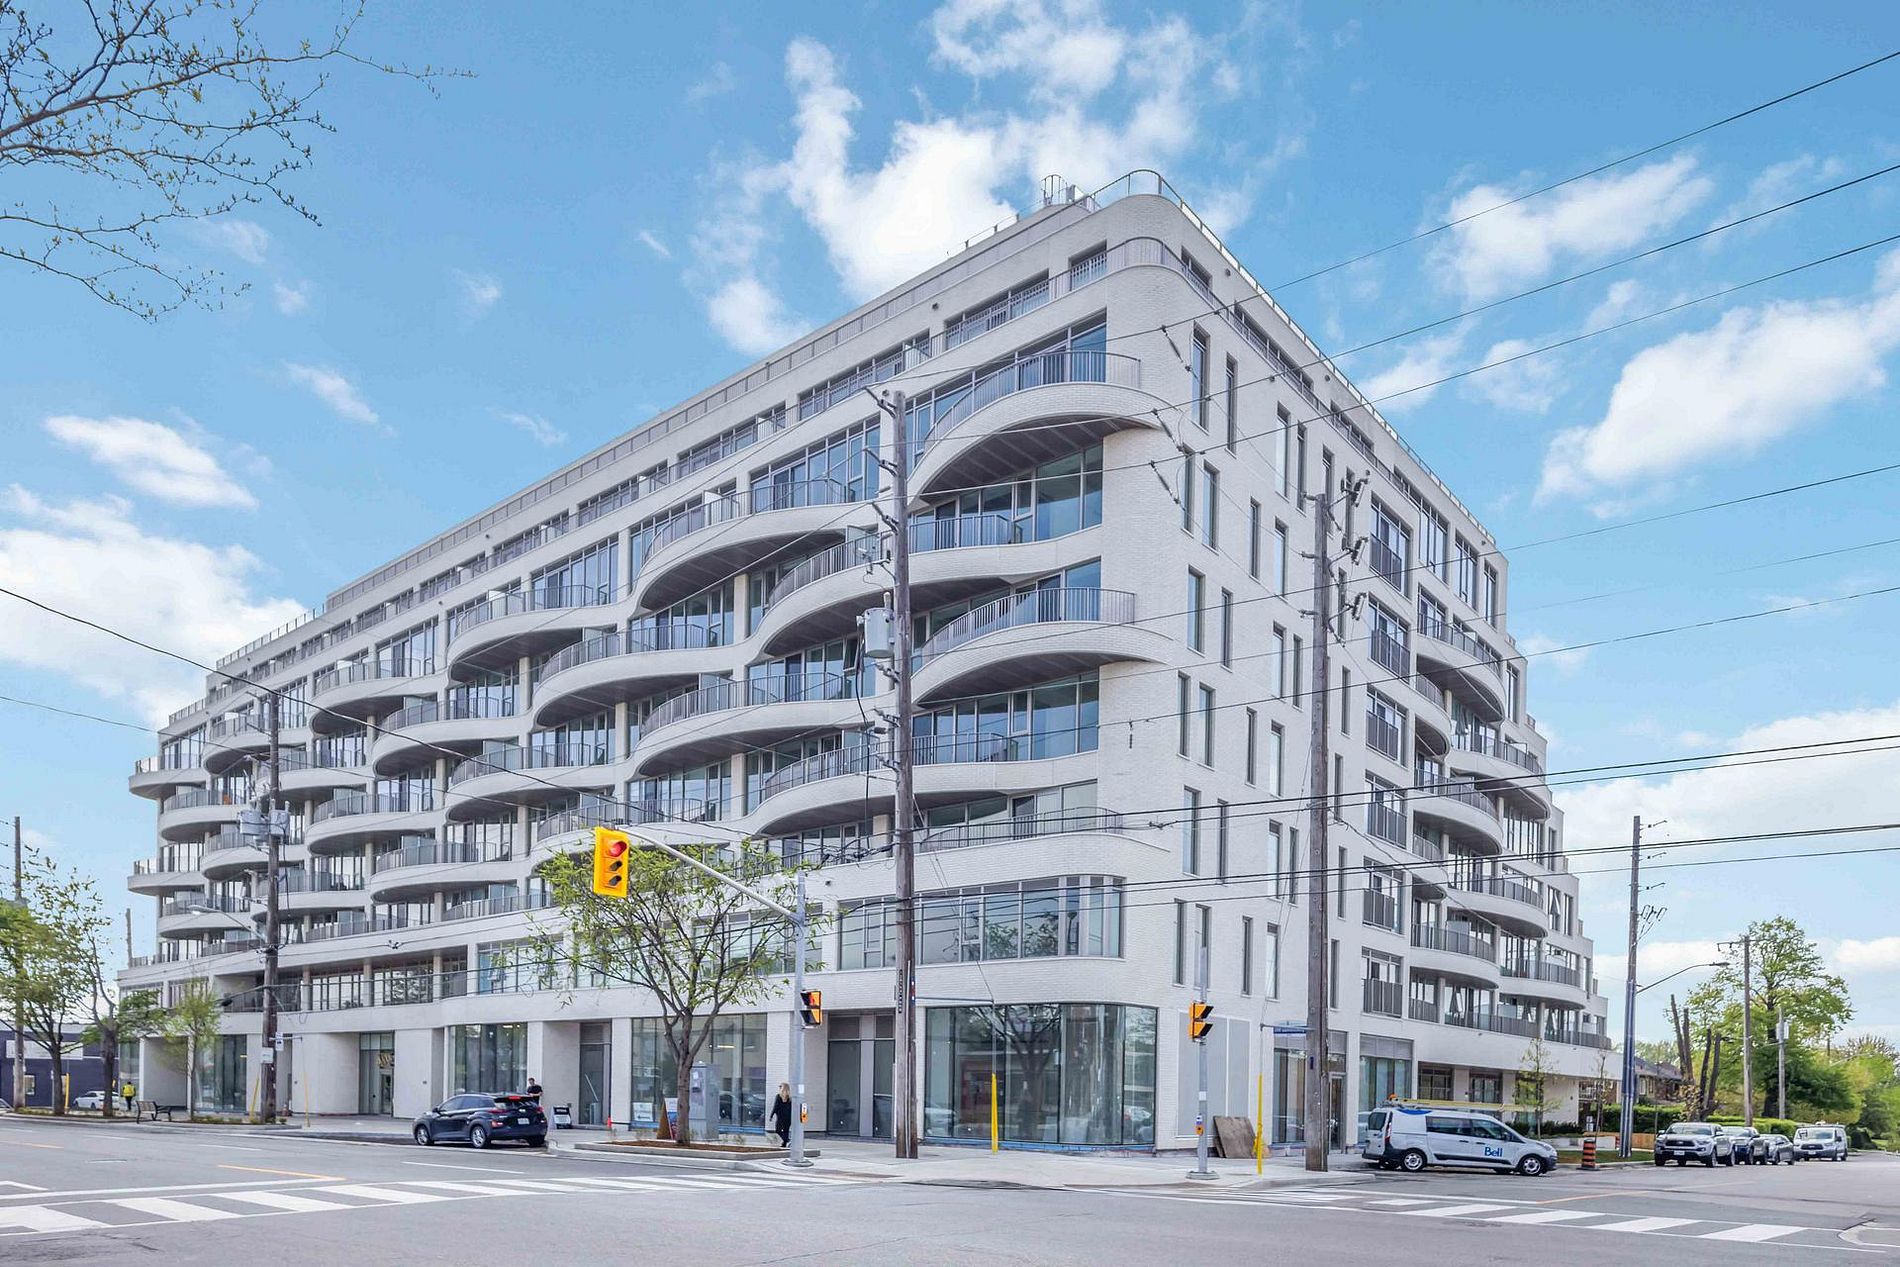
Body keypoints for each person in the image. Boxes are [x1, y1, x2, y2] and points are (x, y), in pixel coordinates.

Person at [770, 1082, 792, 1147]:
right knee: (786, 1130)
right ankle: (784, 1144)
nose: (779, 1088)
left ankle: (786, 1140)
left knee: (778, 1130)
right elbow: (791, 1108)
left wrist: (771, 1115)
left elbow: (775, 1106)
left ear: (782, 1088)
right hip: (788, 1117)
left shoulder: (778, 1096)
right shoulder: (790, 1098)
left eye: (780, 1087)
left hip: (780, 1116)